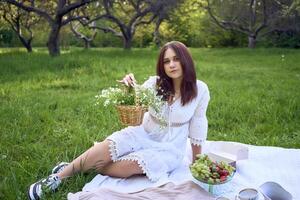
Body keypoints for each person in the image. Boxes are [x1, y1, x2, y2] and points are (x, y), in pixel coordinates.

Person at [28, 41, 210, 200]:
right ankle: (57, 178)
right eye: (166, 61)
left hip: (170, 147)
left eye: (176, 59)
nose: (171, 64)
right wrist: (129, 88)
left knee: (130, 167)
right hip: (145, 131)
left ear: (185, 59)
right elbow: (137, 104)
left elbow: (198, 125)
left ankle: (79, 166)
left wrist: (196, 161)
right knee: (111, 145)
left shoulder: (199, 90)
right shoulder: (155, 84)